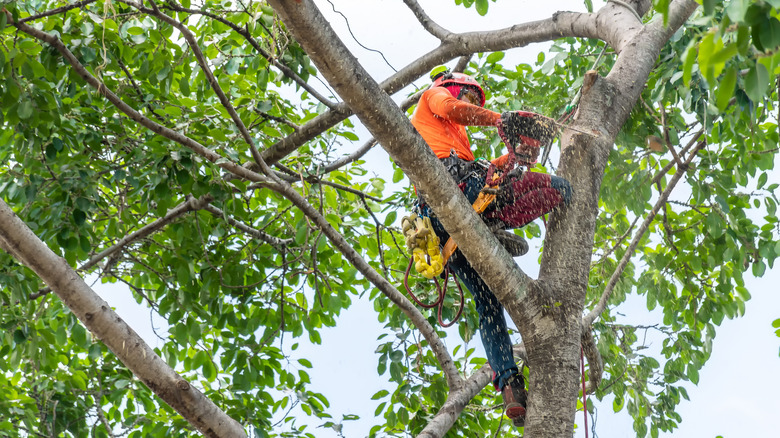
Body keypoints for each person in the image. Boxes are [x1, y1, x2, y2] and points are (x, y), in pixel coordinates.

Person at [409, 67, 572, 426]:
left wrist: (516, 156)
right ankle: (491, 225)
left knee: (488, 304)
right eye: (469, 97)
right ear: (453, 86)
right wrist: (503, 120)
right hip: (454, 193)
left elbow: (487, 170)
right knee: (559, 187)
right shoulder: (435, 97)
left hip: (455, 224)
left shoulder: (456, 140)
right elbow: (453, 110)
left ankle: (509, 385)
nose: (469, 106)